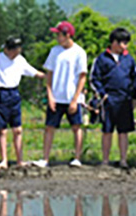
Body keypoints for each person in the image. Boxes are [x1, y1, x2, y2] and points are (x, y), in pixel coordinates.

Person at [0, 37, 45, 170]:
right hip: (1, 93)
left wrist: (49, 76)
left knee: (17, 129)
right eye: (15, 51)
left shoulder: (20, 60)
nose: (16, 53)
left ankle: (19, 160)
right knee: (2, 130)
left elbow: (33, 72)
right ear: (7, 50)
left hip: (14, 93)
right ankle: (4, 160)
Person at [32, 21, 88, 169]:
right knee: (49, 127)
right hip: (56, 97)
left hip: (72, 97)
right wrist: (50, 95)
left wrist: (75, 99)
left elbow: (82, 77)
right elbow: (49, 74)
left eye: (59, 34)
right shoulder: (54, 51)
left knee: (76, 126)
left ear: (67, 35)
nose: (56, 37)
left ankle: (77, 158)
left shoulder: (79, 52)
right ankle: (45, 158)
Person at [90, 27, 136, 168]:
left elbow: (135, 76)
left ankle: (123, 160)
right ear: (114, 42)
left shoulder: (129, 59)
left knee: (123, 131)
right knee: (107, 130)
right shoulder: (101, 59)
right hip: (109, 99)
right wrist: (102, 95)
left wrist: (134, 93)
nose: (125, 46)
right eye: (123, 43)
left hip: (124, 99)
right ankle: (105, 160)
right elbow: (94, 78)